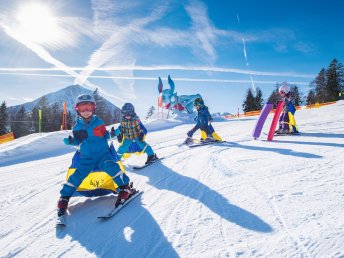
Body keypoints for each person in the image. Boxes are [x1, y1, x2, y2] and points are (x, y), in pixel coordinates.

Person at [57, 94, 133, 218]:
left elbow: (106, 135)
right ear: (77, 110)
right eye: (83, 108)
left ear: (94, 108)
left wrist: (114, 133)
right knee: (78, 174)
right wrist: (71, 142)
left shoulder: (99, 122)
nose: (86, 111)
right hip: (87, 157)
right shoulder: (77, 127)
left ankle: (125, 188)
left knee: (112, 168)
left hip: (103, 154)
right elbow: (78, 141)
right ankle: (64, 197)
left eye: (89, 107)